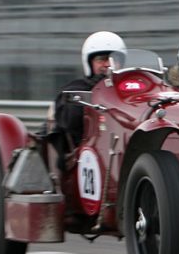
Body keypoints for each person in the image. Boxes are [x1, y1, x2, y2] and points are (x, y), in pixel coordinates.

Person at [52, 31, 127, 165]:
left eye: (113, 59)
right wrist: (95, 90)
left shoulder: (127, 88)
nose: (108, 64)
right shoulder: (76, 88)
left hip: (123, 149)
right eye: (101, 59)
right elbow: (71, 122)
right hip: (88, 155)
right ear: (90, 63)